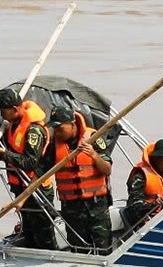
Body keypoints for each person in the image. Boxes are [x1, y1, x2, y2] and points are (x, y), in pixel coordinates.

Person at [0, 87, 59, 249]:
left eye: (3, 111)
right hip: (20, 187)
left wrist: (3, 153)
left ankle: (48, 262)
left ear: (14, 109)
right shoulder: (13, 124)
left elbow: (30, 162)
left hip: (37, 189)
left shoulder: (33, 130)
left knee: (43, 234)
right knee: (28, 231)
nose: (1, 115)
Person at [48, 106, 114, 254]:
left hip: (97, 207)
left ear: (72, 125)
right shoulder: (54, 145)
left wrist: (94, 155)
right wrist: (22, 199)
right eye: (54, 129)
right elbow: (40, 172)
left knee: (104, 248)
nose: (56, 132)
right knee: (78, 250)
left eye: (60, 128)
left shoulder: (94, 138)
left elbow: (107, 170)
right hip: (72, 209)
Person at [125, 137, 163, 227]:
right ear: (156, 159)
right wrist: (154, 204)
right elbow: (133, 210)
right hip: (146, 225)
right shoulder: (141, 176)